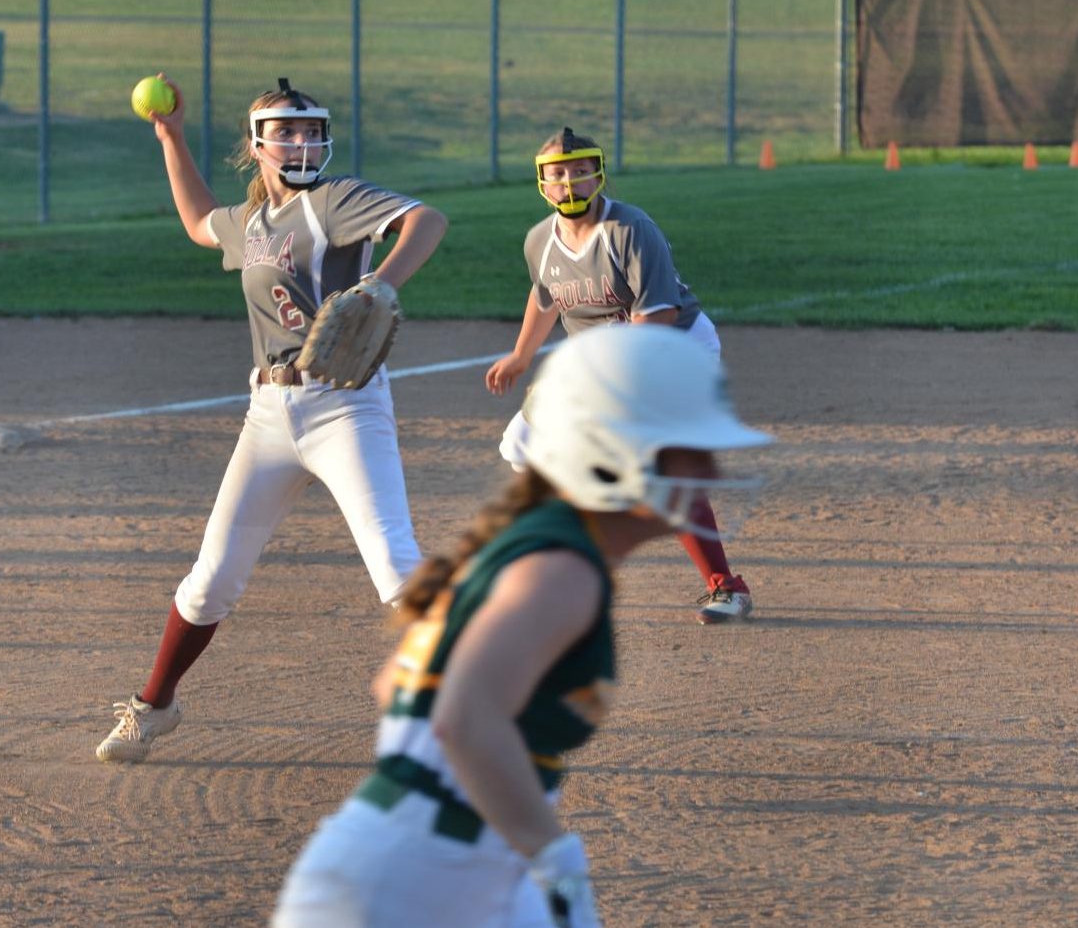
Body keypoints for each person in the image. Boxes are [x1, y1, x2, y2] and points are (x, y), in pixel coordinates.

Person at [272, 324, 773, 927]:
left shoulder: (532, 544)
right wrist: (553, 856)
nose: (711, 469)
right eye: (692, 445)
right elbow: (462, 718)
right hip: (412, 885)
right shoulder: (563, 570)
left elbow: (398, 687)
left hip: (417, 864)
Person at [96, 75, 448, 764]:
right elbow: (200, 223)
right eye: (285, 130)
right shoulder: (254, 223)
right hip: (269, 412)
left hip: (345, 404)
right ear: (256, 145)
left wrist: (382, 280)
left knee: (396, 565)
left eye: (311, 128)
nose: (301, 141)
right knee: (210, 578)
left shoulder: (332, 200)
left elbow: (425, 220)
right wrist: (170, 136)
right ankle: (156, 705)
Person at [484, 127, 752, 625]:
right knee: (521, 444)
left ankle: (726, 588)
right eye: (557, 174)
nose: (570, 183)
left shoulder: (629, 229)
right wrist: (522, 356)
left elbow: (659, 316)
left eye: (580, 171)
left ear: (598, 173)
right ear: (542, 183)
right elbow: (545, 297)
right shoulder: (540, 241)